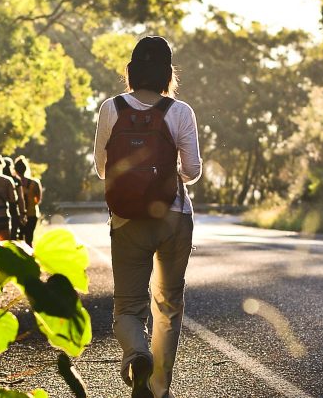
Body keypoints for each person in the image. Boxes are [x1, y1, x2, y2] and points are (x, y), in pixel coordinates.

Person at [93, 36, 201, 398]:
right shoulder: (181, 111)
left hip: (126, 220)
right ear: (169, 73)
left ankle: (136, 355)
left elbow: (101, 168)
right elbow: (193, 169)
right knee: (168, 304)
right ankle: (159, 388)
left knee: (127, 306)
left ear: (132, 70)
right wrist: (165, 174)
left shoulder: (112, 108)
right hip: (174, 218)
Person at [13, 155, 43, 245]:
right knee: (29, 238)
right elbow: (38, 200)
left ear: (16, 170)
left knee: (19, 239)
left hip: (18, 214)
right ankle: (30, 256)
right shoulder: (35, 183)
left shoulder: (13, 183)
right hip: (32, 214)